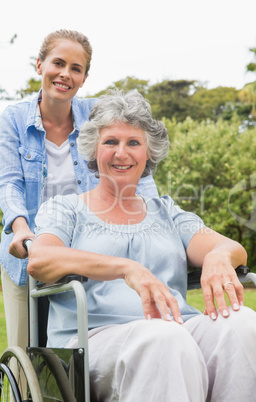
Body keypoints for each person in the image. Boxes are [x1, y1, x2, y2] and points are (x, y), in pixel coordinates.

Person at [28, 89, 256, 402]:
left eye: (133, 143)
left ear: (148, 153)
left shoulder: (167, 212)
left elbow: (229, 246)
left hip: (177, 326)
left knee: (244, 324)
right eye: (110, 141)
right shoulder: (66, 208)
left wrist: (219, 256)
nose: (121, 153)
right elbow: (41, 259)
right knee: (165, 338)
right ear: (93, 150)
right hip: (93, 339)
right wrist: (126, 268)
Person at [0, 30, 158, 353]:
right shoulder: (12, 120)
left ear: (84, 78)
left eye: (76, 68)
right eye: (58, 63)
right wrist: (20, 228)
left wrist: (154, 216)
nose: (65, 74)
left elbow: (134, 168)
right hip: (29, 245)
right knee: (25, 350)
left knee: (97, 339)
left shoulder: (96, 115)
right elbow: (9, 183)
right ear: (39, 65)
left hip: (88, 241)